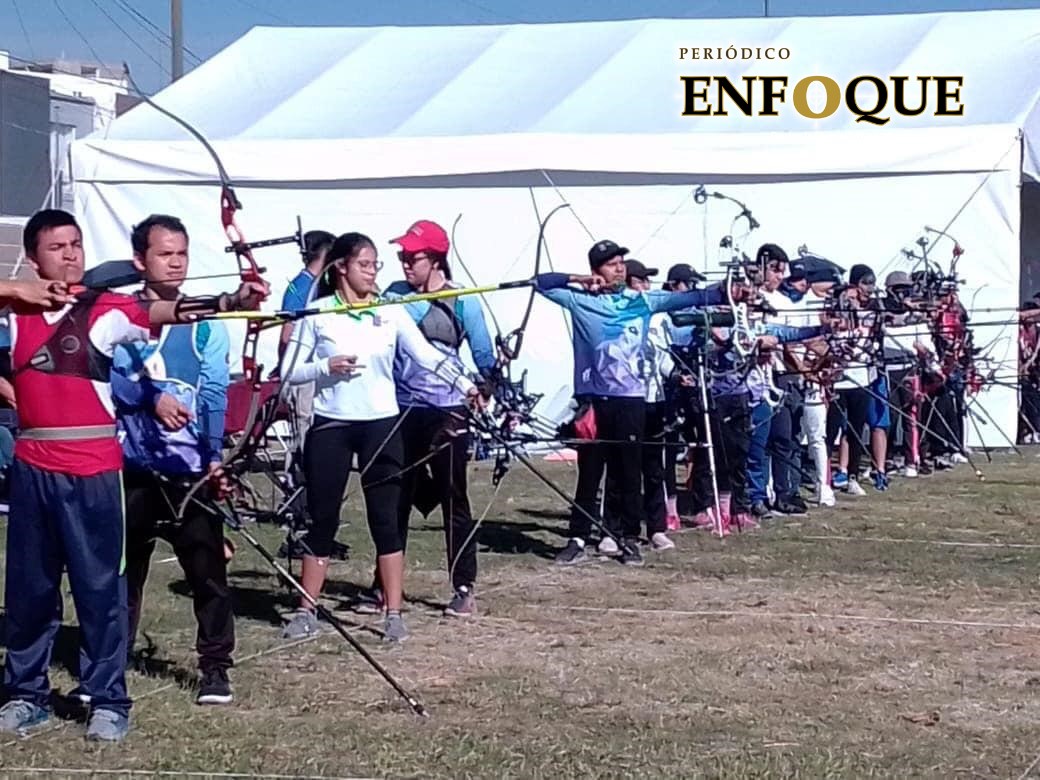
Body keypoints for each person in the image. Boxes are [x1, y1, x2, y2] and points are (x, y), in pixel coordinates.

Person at [0, 209, 265, 742]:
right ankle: (24, 694)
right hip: (33, 467)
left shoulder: (106, 308)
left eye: (76, 244)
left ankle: (107, 700)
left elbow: (165, 310)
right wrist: (16, 289)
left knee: (102, 589)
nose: (71, 255)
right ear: (33, 258)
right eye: (57, 247)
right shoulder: (16, 312)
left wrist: (230, 303)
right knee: (29, 590)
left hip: (94, 469)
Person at [281, 232, 482, 643]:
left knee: (386, 520)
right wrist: (324, 367)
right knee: (322, 519)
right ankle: (306, 611)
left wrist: (467, 386)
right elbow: (287, 374)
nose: (374, 272)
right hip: (332, 426)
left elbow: (427, 356)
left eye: (376, 265)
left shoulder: (391, 311)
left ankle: (393, 612)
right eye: (365, 264)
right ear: (341, 268)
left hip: (381, 426)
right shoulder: (316, 313)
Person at [534, 240, 725, 566]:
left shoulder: (641, 301)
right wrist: (580, 280)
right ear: (597, 271)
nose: (620, 268)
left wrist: (726, 291)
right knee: (590, 473)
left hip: (631, 401)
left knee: (629, 473)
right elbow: (540, 283)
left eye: (622, 262)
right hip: (595, 400)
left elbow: (691, 297)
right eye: (611, 264)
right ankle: (578, 538)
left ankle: (626, 537)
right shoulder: (580, 301)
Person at [111, 214, 237, 706]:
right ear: (140, 261)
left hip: (189, 475)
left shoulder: (204, 324)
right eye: (165, 254)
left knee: (208, 574)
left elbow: (215, 395)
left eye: (182, 253)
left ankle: (215, 668)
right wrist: (151, 399)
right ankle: (109, 663)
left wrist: (214, 457)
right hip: (133, 468)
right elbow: (110, 378)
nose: (176, 262)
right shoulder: (120, 316)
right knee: (122, 574)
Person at [382, 219, 498, 618]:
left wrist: (487, 386)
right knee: (395, 496)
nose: (404, 265)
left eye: (411, 257)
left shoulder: (463, 299)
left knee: (454, 497)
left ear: (434, 260)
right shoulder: (392, 295)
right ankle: (384, 585)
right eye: (401, 257)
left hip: (447, 410)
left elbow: (483, 355)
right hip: (400, 407)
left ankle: (463, 586)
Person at [620, 259, 675, 550]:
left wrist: (675, 373)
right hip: (629, 398)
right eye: (642, 280)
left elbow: (664, 355)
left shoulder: (658, 316)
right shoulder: (620, 313)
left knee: (654, 467)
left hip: (655, 397)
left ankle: (656, 528)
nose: (647, 286)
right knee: (624, 468)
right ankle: (616, 528)